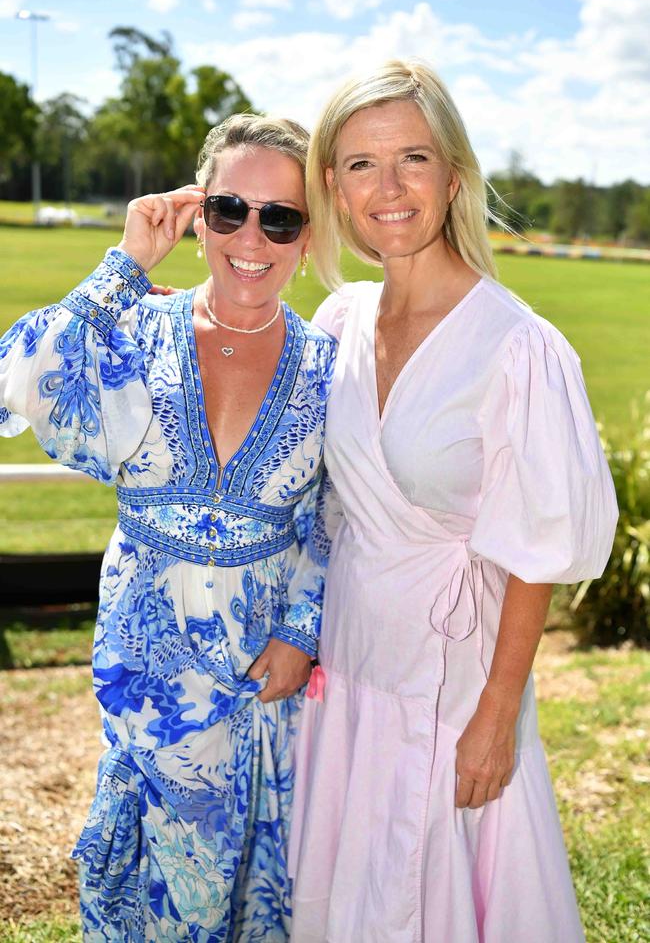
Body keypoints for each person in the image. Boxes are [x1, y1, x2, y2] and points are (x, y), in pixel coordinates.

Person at [286, 60, 618, 943]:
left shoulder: (518, 348)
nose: (387, 188)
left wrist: (496, 717)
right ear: (332, 184)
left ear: (453, 177)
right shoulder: (340, 324)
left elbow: (537, 550)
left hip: (456, 686)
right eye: (360, 163)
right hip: (351, 664)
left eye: (413, 160)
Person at [0, 114, 337, 941]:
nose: (251, 237)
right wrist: (123, 266)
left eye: (280, 216)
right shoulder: (136, 329)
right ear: (196, 215)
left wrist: (301, 631)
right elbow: (18, 385)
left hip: (262, 680)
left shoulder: (333, 365)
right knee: (156, 898)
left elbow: (337, 512)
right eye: (229, 209)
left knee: (251, 894)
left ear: (306, 234)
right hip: (147, 675)